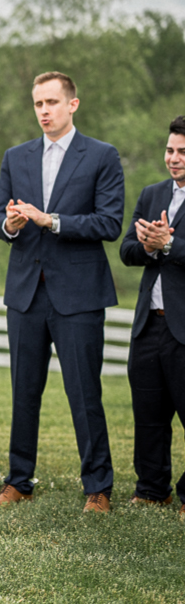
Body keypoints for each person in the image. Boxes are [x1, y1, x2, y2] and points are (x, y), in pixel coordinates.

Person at [0, 71, 124, 512]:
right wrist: (9, 224)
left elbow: (109, 223)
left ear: (72, 105)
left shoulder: (102, 155)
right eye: (37, 104)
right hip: (25, 293)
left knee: (84, 393)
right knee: (23, 392)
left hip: (80, 296)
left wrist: (52, 220)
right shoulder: (16, 157)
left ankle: (98, 488)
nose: (43, 111)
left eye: (51, 102)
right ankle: (18, 482)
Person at [119, 115, 185, 512]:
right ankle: (151, 489)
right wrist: (146, 246)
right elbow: (127, 251)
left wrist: (169, 244)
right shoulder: (152, 193)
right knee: (148, 414)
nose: (174, 158)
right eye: (170, 150)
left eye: (182, 152)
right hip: (148, 324)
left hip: (184, 329)